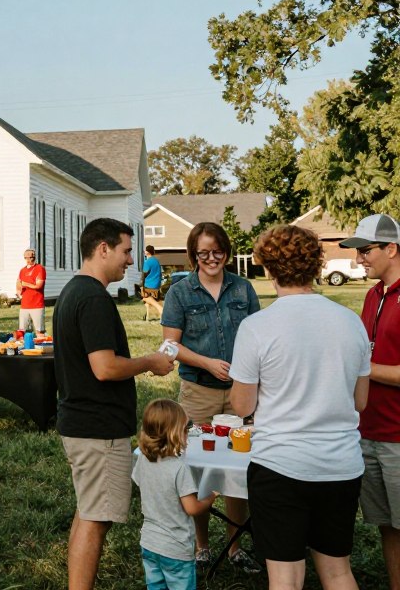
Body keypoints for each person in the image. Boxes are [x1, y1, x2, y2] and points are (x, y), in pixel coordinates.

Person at [230, 225, 370, 590]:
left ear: (268, 268)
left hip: (280, 465)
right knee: (338, 571)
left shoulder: (257, 326)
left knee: (286, 578)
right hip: (340, 464)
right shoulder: (350, 322)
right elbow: (361, 401)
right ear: (315, 266)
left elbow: (243, 404)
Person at [53, 218, 174, 590]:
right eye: (125, 251)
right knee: (95, 519)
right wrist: (150, 363)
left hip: (81, 423)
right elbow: (104, 368)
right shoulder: (92, 298)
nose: (130, 261)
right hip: (97, 428)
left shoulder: (74, 292)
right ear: (102, 248)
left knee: (87, 514)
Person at [160, 222, 261, 574]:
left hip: (240, 394)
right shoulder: (180, 292)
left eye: (217, 252)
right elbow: (169, 345)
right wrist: (206, 362)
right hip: (198, 391)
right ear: (193, 255)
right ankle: (201, 545)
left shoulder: (243, 289)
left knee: (238, 470)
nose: (211, 259)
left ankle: (234, 547)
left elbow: (258, 337)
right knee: (198, 470)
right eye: (203, 253)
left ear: (227, 253)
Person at [340, 214, 400, 590]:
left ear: (391, 248)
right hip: (368, 430)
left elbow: (369, 363)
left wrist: (362, 366)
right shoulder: (373, 294)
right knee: (387, 525)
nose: (360, 259)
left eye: (366, 250)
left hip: (398, 434)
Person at [133, 399, 218, 590]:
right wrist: (212, 495)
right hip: (176, 548)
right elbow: (192, 508)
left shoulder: (144, 460)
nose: (188, 434)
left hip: (149, 543)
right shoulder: (180, 468)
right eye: (186, 429)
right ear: (174, 433)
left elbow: (140, 482)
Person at [17, 248, 46, 334]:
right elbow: (18, 282)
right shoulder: (22, 270)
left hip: (37, 305)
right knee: (22, 331)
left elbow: (39, 285)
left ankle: (42, 346)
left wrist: (26, 284)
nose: (29, 259)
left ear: (35, 257)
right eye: (27, 257)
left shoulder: (40, 268)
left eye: (31, 257)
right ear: (24, 258)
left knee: (39, 331)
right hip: (24, 305)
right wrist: (19, 292)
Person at [141, 245, 164, 322]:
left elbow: (144, 273)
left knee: (145, 297)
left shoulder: (148, 262)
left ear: (147, 252)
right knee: (156, 300)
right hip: (157, 284)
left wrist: (141, 283)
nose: (144, 252)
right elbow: (160, 273)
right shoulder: (156, 261)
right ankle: (148, 315)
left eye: (145, 251)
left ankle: (157, 312)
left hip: (149, 284)